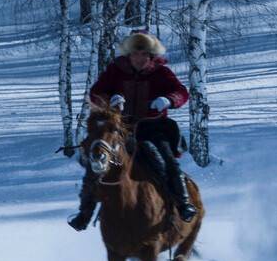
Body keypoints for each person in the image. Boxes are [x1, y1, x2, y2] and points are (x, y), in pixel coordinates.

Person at [68, 31, 195, 231]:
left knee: (165, 161)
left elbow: (181, 92)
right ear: (129, 55)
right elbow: (95, 93)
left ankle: (182, 204)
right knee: (97, 166)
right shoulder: (115, 71)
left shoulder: (161, 72)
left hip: (152, 129)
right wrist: (110, 99)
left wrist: (168, 100)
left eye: (144, 54)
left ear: (150, 55)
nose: (139, 58)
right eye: (136, 53)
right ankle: (85, 213)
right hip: (119, 130)